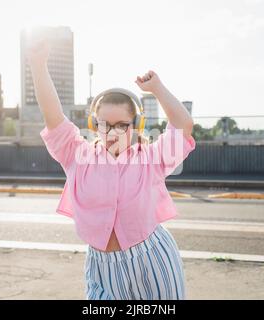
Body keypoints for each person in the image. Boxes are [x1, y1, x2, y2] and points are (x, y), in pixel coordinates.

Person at [27, 34, 196, 300]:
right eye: (104, 124)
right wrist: (37, 64)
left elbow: (183, 126)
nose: (112, 132)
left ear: (136, 126)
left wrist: (158, 88)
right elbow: (54, 118)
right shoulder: (77, 156)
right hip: (103, 267)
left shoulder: (151, 159)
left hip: (152, 259)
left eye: (121, 125)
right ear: (95, 125)